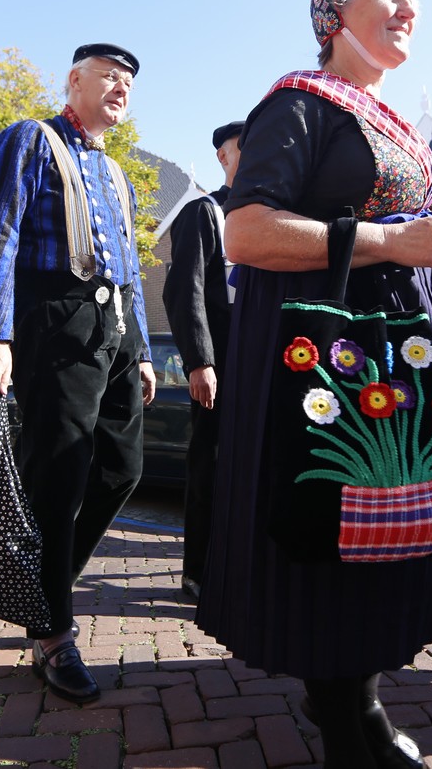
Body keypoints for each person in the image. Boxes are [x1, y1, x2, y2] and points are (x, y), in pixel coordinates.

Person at [194, 0, 432, 769]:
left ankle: (357, 693)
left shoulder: (390, 121)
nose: (409, 8)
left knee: (396, 519)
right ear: (334, 11)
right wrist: (391, 239)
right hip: (324, 358)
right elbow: (245, 232)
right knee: (338, 519)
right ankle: (345, 713)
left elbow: (407, 261)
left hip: (402, 348)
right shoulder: (297, 104)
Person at [0, 41, 156, 705]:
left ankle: (36, 585)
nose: (120, 87)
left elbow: (129, 266)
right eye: (108, 76)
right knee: (58, 476)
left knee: (121, 469)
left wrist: (142, 349)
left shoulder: (116, 173)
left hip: (115, 330)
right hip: (55, 321)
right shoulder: (32, 138)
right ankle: (51, 630)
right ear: (75, 80)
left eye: (128, 81)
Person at [162, 118, 243, 601]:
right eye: (244, 145)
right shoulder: (204, 212)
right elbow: (184, 289)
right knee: (211, 465)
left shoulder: (276, 216)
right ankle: (201, 570)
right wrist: (199, 361)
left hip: (266, 364)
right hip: (221, 364)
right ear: (223, 156)